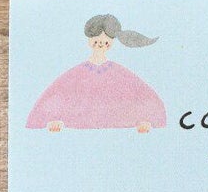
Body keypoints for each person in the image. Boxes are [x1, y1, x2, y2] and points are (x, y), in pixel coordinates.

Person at [26, 14, 167, 131]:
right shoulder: (75, 75)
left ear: (111, 43)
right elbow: (57, 95)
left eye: (105, 42)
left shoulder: (121, 74)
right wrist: (53, 119)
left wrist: (146, 120)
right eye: (96, 41)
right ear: (89, 40)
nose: (100, 44)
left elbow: (141, 94)